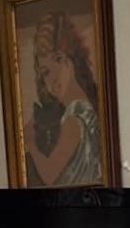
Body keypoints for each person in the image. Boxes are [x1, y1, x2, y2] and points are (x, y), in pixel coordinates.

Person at [24, 11, 102, 186]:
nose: (51, 79)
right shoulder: (86, 109)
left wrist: (31, 143)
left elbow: (50, 175)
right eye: (45, 72)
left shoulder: (75, 119)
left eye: (58, 60)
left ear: (70, 59)